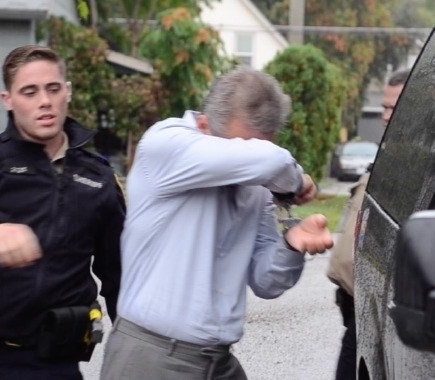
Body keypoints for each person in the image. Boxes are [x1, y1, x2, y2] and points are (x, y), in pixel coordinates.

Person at [100, 67, 334, 380]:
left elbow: (267, 282)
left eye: (259, 146)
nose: (245, 161)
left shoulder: (258, 180)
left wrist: (293, 245)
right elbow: (273, 162)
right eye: (241, 146)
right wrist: (295, 183)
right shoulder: (166, 143)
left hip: (218, 361)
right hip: (151, 357)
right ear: (204, 123)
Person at [0, 45, 125, 379]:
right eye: (29, 92)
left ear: (68, 92)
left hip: (54, 362)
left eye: (53, 88)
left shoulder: (99, 179)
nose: (44, 101)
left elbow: (117, 273)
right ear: (8, 99)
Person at [327, 69, 410, 379]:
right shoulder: (389, 156)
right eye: (383, 108)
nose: (385, 117)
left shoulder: (421, 165)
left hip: (386, 309)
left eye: (394, 107)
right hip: (359, 306)